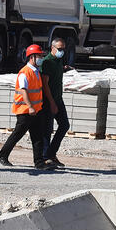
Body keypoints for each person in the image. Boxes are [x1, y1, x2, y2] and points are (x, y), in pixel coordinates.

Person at [0, 44, 52, 170]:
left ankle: (39, 163)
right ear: (32, 57)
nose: (41, 58)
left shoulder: (36, 71)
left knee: (37, 137)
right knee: (17, 134)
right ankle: (2, 155)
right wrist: (30, 106)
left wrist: (35, 108)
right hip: (25, 110)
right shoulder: (25, 72)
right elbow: (24, 91)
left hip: (35, 110)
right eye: (39, 56)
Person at [41, 37, 69, 168]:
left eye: (63, 49)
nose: (62, 51)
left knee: (64, 125)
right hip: (49, 101)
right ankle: (46, 157)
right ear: (52, 48)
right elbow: (45, 84)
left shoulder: (58, 60)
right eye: (59, 49)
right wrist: (51, 102)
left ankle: (51, 153)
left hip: (58, 99)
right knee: (47, 129)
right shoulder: (47, 62)